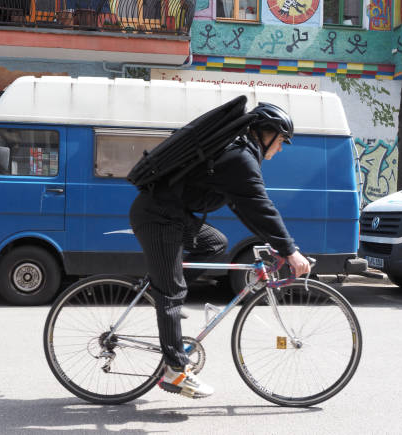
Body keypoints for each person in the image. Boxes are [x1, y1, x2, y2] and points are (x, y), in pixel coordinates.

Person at [129, 102, 311, 399]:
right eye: (281, 142)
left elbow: (244, 207)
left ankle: (161, 287)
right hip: (159, 217)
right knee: (172, 292)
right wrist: (289, 251)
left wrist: (276, 243)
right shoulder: (240, 157)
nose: (280, 149)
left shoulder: (237, 151)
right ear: (266, 134)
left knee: (215, 244)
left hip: (172, 215)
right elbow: (259, 206)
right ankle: (175, 372)